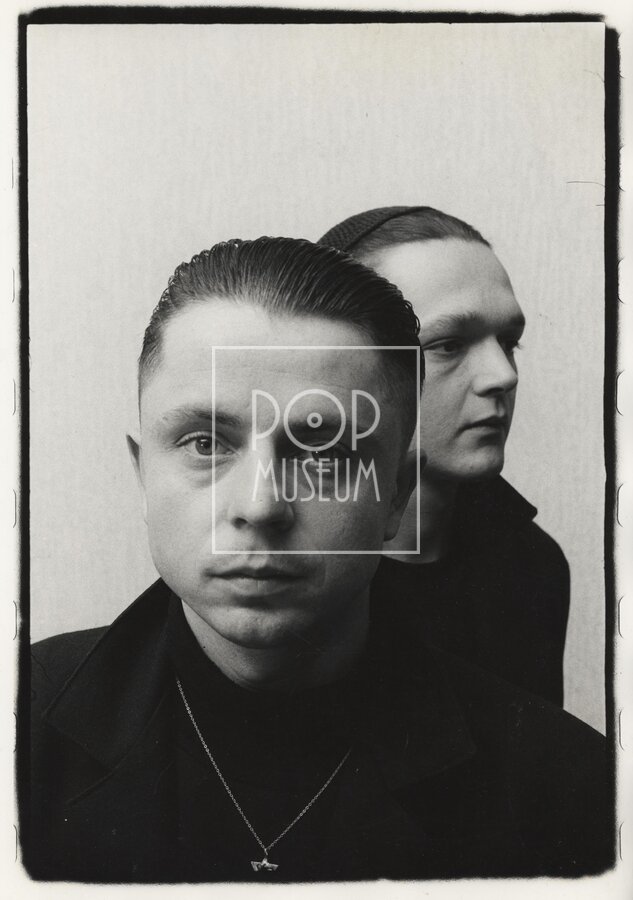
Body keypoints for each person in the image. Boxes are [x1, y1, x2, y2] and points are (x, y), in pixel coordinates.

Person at [25, 237, 610, 883]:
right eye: (205, 443)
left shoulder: (570, 790)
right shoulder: (17, 730)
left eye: (323, 451)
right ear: (143, 474)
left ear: (395, 497)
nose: (260, 505)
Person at [319, 207, 570, 706]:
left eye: (509, 341)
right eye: (449, 344)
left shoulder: (531, 565)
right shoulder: (286, 575)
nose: (503, 375)